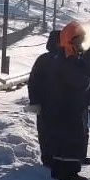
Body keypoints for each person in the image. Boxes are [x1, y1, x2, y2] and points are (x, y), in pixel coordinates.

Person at [44, 22, 90, 180]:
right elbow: (74, 79)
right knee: (72, 140)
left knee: (62, 140)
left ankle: (58, 170)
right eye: (80, 39)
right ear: (71, 40)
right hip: (69, 106)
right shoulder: (68, 58)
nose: (83, 42)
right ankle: (69, 174)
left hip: (63, 106)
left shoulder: (65, 56)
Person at [27, 30, 63, 167]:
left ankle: (54, 158)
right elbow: (33, 82)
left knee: (53, 132)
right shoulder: (44, 60)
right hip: (46, 103)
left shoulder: (66, 58)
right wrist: (34, 102)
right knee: (46, 131)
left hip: (57, 103)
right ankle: (49, 159)